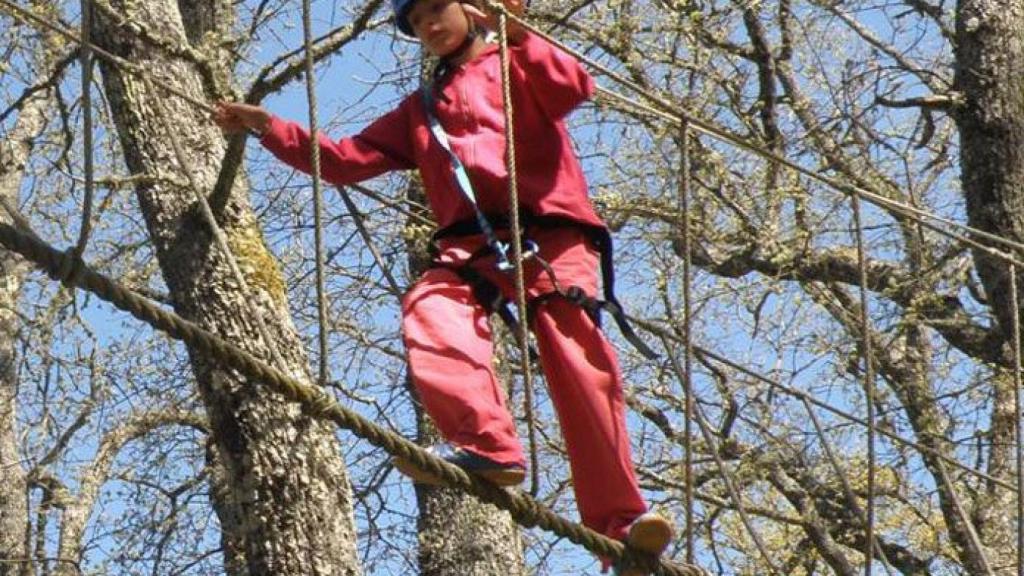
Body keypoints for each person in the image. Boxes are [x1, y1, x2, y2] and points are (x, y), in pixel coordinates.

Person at [213, 0, 673, 572]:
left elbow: (571, 87)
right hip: (472, 246)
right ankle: (487, 445)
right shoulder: (421, 110)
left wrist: (517, 27)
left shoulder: (516, 61)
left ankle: (621, 521)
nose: (428, 26)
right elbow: (345, 159)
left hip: (549, 233)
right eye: (416, 21)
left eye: (437, 10)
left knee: (577, 356)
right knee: (431, 306)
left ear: (471, 8)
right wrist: (268, 125)